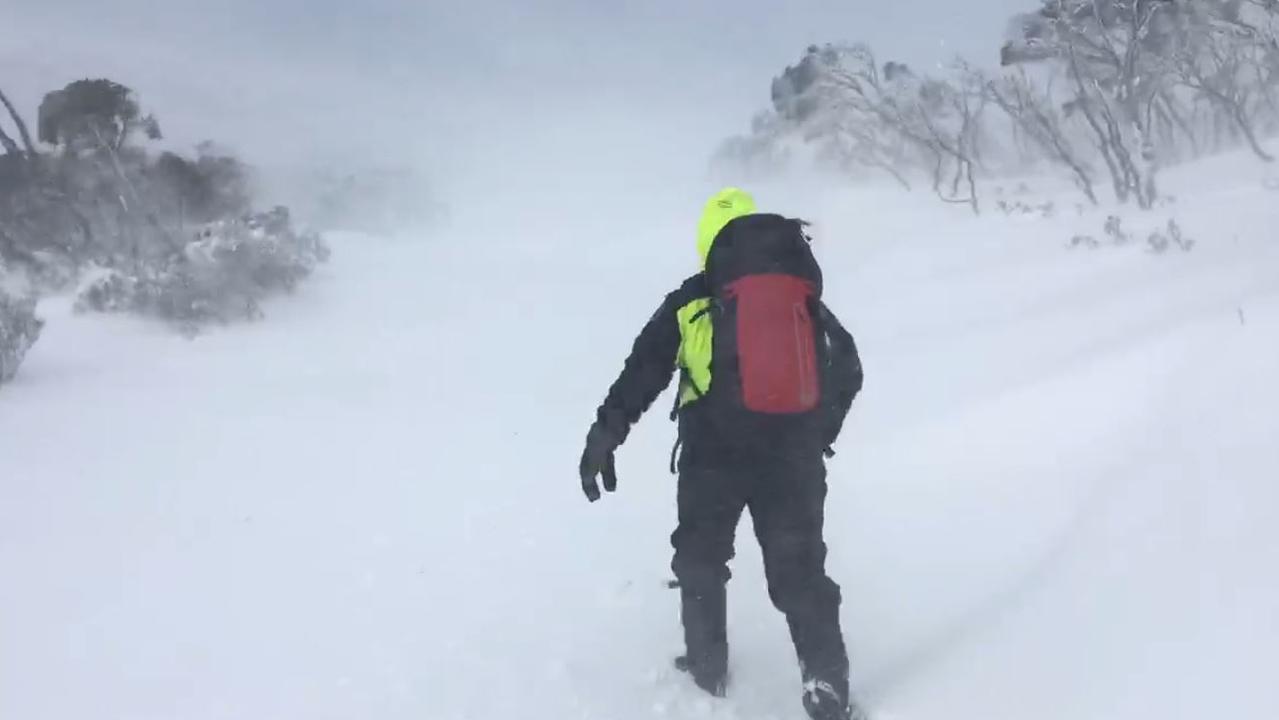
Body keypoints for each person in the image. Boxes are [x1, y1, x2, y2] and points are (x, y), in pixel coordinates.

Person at [579, 187, 865, 720]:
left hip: (713, 458)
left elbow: (642, 372)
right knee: (799, 571)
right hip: (792, 461)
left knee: (701, 559)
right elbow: (848, 369)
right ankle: (827, 688)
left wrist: (605, 435)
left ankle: (707, 668)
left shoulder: (690, 301)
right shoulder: (800, 300)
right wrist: (816, 432)